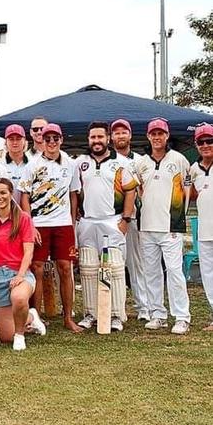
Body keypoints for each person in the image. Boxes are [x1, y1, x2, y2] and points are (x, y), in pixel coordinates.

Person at [75, 121, 137, 331]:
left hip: (112, 220)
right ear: (88, 139)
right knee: (88, 268)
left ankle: (116, 315)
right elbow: (74, 192)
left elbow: (130, 191)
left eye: (100, 137)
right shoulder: (81, 163)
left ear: (108, 138)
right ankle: (91, 313)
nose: (97, 141)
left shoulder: (121, 163)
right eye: (93, 137)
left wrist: (126, 220)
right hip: (87, 221)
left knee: (115, 269)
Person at [20, 123, 82, 333]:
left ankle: (67, 317)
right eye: (48, 139)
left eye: (56, 138)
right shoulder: (32, 164)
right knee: (36, 269)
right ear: (42, 141)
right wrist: (30, 225)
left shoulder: (70, 164)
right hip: (39, 224)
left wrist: (72, 222)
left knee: (65, 268)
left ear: (61, 140)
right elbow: (24, 196)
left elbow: (74, 194)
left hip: (63, 224)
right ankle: (35, 317)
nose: (52, 142)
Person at [136, 118, 191, 334]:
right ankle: (157, 314)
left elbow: (188, 189)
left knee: (175, 272)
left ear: (167, 135)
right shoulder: (141, 163)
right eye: (153, 134)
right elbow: (137, 189)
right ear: (148, 136)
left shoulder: (179, 160)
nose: (157, 137)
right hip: (147, 226)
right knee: (151, 272)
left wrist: (180, 216)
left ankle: (182, 316)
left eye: (161, 133)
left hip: (171, 227)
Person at [0, 178, 46, 351]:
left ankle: (20, 336)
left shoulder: (24, 219)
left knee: (18, 298)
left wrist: (20, 275)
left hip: (19, 273)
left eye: (3, 192)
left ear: (11, 194)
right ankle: (30, 317)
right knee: (5, 337)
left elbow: (29, 252)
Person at [110, 118, 150, 321]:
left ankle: (143, 306)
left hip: (133, 218)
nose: (120, 135)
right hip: (111, 219)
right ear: (111, 137)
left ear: (130, 135)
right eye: (116, 133)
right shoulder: (108, 160)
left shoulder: (141, 160)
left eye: (123, 132)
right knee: (113, 264)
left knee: (136, 263)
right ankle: (115, 308)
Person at [190, 123, 213, 330]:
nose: (205, 145)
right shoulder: (194, 169)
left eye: (209, 141)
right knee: (208, 274)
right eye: (201, 142)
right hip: (205, 231)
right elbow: (191, 194)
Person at [2, 124, 32, 204]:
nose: (15, 142)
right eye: (11, 139)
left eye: (18, 139)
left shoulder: (33, 164)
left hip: (30, 211)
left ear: (24, 141)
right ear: (5, 142)